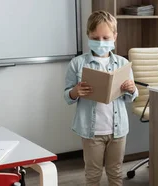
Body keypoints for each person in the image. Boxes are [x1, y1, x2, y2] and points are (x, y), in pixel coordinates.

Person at [63, 10, 138, 186]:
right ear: (88, 36)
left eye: (106, 37)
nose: (101, 42)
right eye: (96, 38)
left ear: (115, 36)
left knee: (116, 172)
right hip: (91, 131)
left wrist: (132, 89)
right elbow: (67, 96)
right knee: (93, 174)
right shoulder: (77, 63)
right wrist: (75, 91)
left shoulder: (122, 63)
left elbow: (130, 98)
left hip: (118, 130)